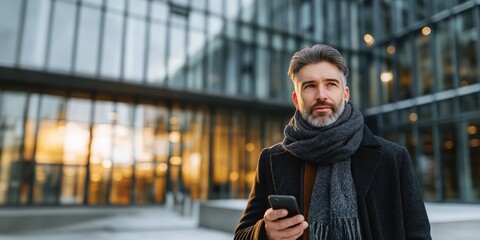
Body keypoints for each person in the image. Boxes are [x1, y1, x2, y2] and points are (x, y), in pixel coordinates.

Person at [234, 44, 431, 240]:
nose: (321, 95)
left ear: (345, 94)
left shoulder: (393, 158)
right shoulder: (272, 160)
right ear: (296, 99)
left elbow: (418, 235)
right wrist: (265, 233)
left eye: (331, 84)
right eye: (310, 86)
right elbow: (241, 236)